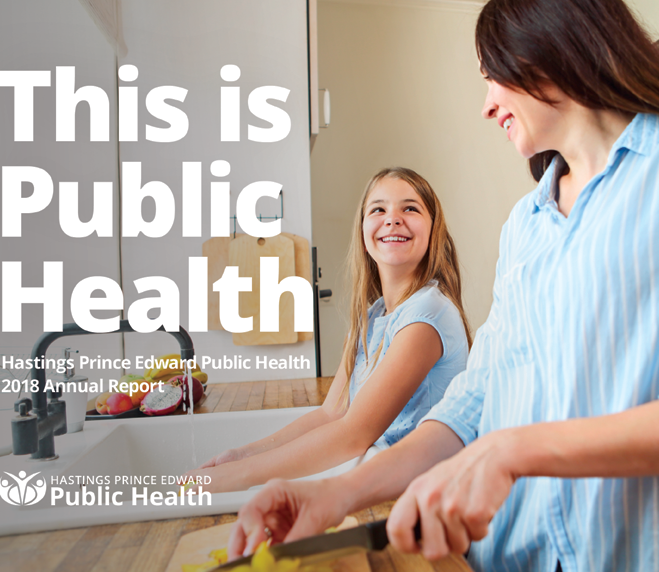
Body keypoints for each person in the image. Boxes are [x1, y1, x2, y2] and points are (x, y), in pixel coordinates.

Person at [226, 0, 659, 570]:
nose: (487, 106)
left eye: (491, 76)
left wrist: (514, 450)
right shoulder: (525, 228)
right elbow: (471, 407)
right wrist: (334, 495)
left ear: (547, 47)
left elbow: (487, 437)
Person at [185, 167, 471, 493]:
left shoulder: (426, 314)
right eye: (378, 209)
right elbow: (331, 414)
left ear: (433, 230)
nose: (392, 219)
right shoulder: (372, 316)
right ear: (363, 233)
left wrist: (236, 478)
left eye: (410, 208)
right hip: (391, 482)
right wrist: (239, 456)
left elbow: (354, 433)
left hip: (429, 494)